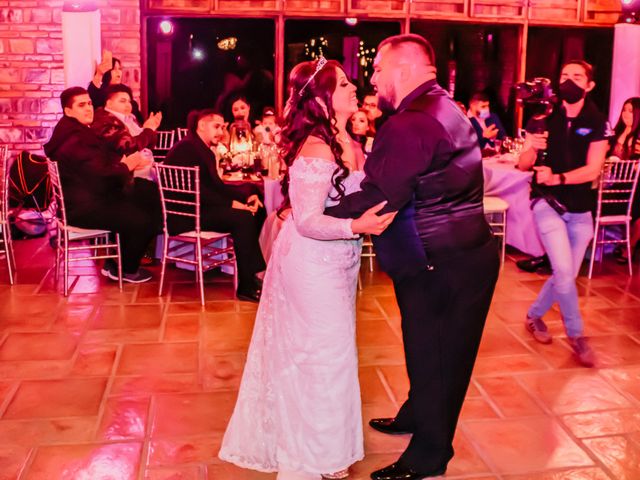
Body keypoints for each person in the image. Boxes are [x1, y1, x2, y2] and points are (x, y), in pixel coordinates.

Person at [325, 34, 500, 480]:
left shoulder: (410, 123)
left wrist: (313, 215)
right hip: (457, 255)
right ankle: (416, 413)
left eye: (378, 70)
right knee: (428, 347)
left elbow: (380, 195)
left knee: (438, 355)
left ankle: (430, 454)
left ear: (402, 69)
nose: (373, 78)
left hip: (440, 262)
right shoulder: (446, 106)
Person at [218, 57, 396, 480]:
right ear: (321, 98)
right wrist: (359, 225)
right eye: (345, 85)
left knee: (331, 355)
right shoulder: (316, 147)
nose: (354, 89)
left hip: (338, 262)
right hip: (312, 264)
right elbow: (307, 220)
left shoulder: (347, 141)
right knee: (322, 358)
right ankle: (315, 456)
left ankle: (325, 446)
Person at [517, 60, 609, 367]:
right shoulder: (545, 116)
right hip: (546, 203)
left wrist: (559, 177)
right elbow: (523, 165)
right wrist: (531, 146)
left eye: (577, 77)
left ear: (589, 85)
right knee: (565, 275)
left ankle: (533, 316)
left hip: (580, 209)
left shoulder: (596, 120)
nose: (569, 81)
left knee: (565, 274)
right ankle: (578, 337)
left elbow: (594, 169)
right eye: (565, 76)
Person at [44, 87, 159, 283]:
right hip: (84, 208)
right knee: (146, 218)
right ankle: (126, 269)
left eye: (89, 103)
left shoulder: (74, 131)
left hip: (87, 199)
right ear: (68, 111)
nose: (88, 108)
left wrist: (123, 163)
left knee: (148, 196)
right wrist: (126, 165)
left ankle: (118, 262)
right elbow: (101, 175)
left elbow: (98, 166)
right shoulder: (75, 139)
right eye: (81, 105)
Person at [164, 109, 266, 302]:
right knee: (242, 218)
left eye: (222, 127)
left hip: (201, 208)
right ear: (201, 125)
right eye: (216, 126)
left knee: (257, 208)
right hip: (186, 215)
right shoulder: (186, 149)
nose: (221, 131)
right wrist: (232, 203)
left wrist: (246, 197)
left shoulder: (202, 150)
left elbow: (217, 187)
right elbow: (198, 192)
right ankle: (245, 285)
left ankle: (252, 275)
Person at [608, 97, 640, 263]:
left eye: (630, 111)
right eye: (624, 110)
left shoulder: (638, 136)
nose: (626, 114)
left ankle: (630, 246)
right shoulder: (616, 132)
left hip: (633, 184)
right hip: (615, 181)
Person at [91, 84, 162, 158]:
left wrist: (152, 128)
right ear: (109, 104)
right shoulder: (104, 120)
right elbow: (128, 147)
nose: (128, 105)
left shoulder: (130, 118)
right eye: (123, 101)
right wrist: (148, 130)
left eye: (129, 101)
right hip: (122, 167)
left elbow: (149, 145)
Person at [88, 50, 143, 123]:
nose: (118, 72)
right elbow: (93, 95)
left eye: (120, 69)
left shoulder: (125, 90)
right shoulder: (100, 93)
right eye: (114, 69)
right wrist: (99, 74)